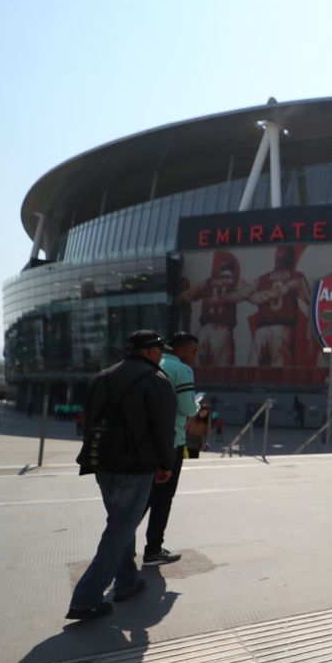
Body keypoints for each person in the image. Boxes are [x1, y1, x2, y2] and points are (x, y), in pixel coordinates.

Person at [66, 330, 175, 620]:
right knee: (120, 528)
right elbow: (164, 429)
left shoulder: (102, 377)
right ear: (151, 350)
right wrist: (166, 463)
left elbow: (88, 422)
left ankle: (127, 582)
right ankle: (85, 598)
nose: (162, 354)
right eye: (160, 349)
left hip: (101, 462)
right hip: (135, 465)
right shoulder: (157, 380)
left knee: (120, 523)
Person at [141, 332, 198, 565]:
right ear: (181, 350)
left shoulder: (153, 365)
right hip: (172, 441)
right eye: (193, 351)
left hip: (146, 440)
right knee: (163, 497)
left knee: (142, 496)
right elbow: (187, 408)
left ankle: (121, 545)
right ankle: (153, 549)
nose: (195, 357)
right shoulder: (182, 371)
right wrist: (197, 404)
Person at [245, 245, 312, 367]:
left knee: (253, 368)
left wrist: (264, 295)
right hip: (283, 328)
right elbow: (309, 300)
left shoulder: (263, 278)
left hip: (261, 329)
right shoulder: (296, 276)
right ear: (291, 259)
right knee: (281, 368)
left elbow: (247, 295)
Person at [178, 250, 243, 366]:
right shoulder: (236, 281)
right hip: (223, 330)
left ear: (220, 268)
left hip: (203, 330)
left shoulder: (207, 282)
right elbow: (248, 293)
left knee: (196, 366)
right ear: (232, 269)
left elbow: (184, 297)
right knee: (222, 371)